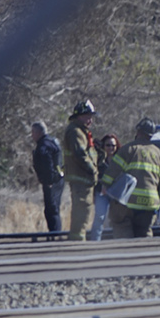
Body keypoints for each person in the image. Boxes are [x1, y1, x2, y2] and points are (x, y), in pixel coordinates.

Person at [106, 118, 160, 238]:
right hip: (150, 203)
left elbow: (111, 173)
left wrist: (105, 187)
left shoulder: (128, 149)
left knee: (121, 226)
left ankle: (126, 252)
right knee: (145, 232)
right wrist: (158, 200)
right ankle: (146, 253)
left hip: (128, 201)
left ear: (139, 132)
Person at [63, 99, 100, 241]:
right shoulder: (75, 132)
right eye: (88, 116)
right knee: (81, 211)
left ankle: (78, 238)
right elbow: (80, 154)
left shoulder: (81, 131)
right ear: (79, 116)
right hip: (81, 178)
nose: (90, 120)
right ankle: (77, 242)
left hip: (84, 179)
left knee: (84, 211)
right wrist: (93, 170)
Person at [29, 119, 63, 234]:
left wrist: (48, 180)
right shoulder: (53, 141)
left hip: (51, 182)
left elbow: (47, 163)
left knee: (51, 209)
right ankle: (55, 233)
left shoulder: (43, 145)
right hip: (59, 180)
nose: (32, 135)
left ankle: (55, 234)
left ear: (38, 132)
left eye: (33, 132)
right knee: (54, 208)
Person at [90, 133, 119, 240]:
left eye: (113, 146)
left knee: (117, 219)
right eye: (108, 145)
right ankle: (95, 241)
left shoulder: (120, 160)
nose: (111, 148)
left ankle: (117, 242)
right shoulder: (98, 161)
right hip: (101, 193)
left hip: (116, 194)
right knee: (99, 217)